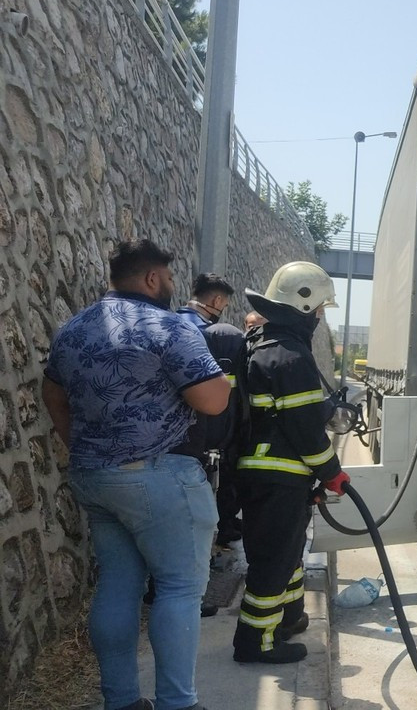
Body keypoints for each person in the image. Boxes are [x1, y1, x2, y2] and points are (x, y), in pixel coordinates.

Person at [42, 239, 229, 710]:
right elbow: (212, 400)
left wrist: (87, 447)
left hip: (95, 477)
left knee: (117, 585)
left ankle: (121, 702)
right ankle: (177, 704)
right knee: (179, 588)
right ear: (151, 278)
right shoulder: (169, 327)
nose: (171, 287)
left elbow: (52, 396)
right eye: (168, 278)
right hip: (159, 476)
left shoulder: (73, 329)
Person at [233, 261, 349, 664]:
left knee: (287, 551)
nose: (319, 318)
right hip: (280, 475)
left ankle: (290, 615)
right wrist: (333, 474)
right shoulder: (291, 356)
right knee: (273, 559)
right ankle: (256, 641)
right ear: (303, 307)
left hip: (264, 474)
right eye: (318, 310)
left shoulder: (261, 346)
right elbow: (304, 431)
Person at [174, 273, 248, 548]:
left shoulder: (168, 322)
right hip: (193, 441)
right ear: (217, 300)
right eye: (224, 305)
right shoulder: (207, 334)